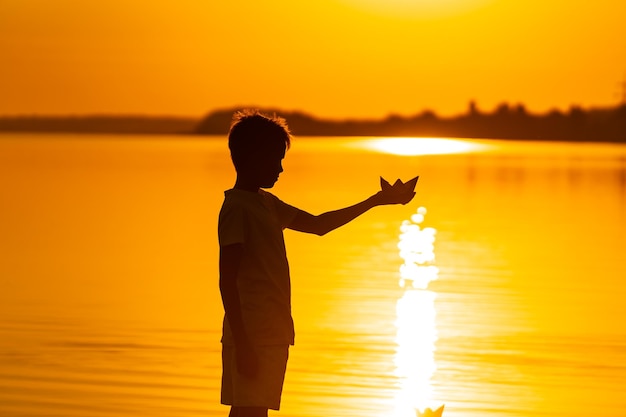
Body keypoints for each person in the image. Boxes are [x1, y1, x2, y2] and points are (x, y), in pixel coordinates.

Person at [218, 109, 416, 417]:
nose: (281, 168)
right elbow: (227, 280)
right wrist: (243, 343)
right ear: (251, 156)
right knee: (249, 412)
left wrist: (375, 200)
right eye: (275, 159)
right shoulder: (237, 208)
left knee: (252, 412)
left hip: (271, 332)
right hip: (252, 334)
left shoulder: (266, 203)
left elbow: (319, 225)